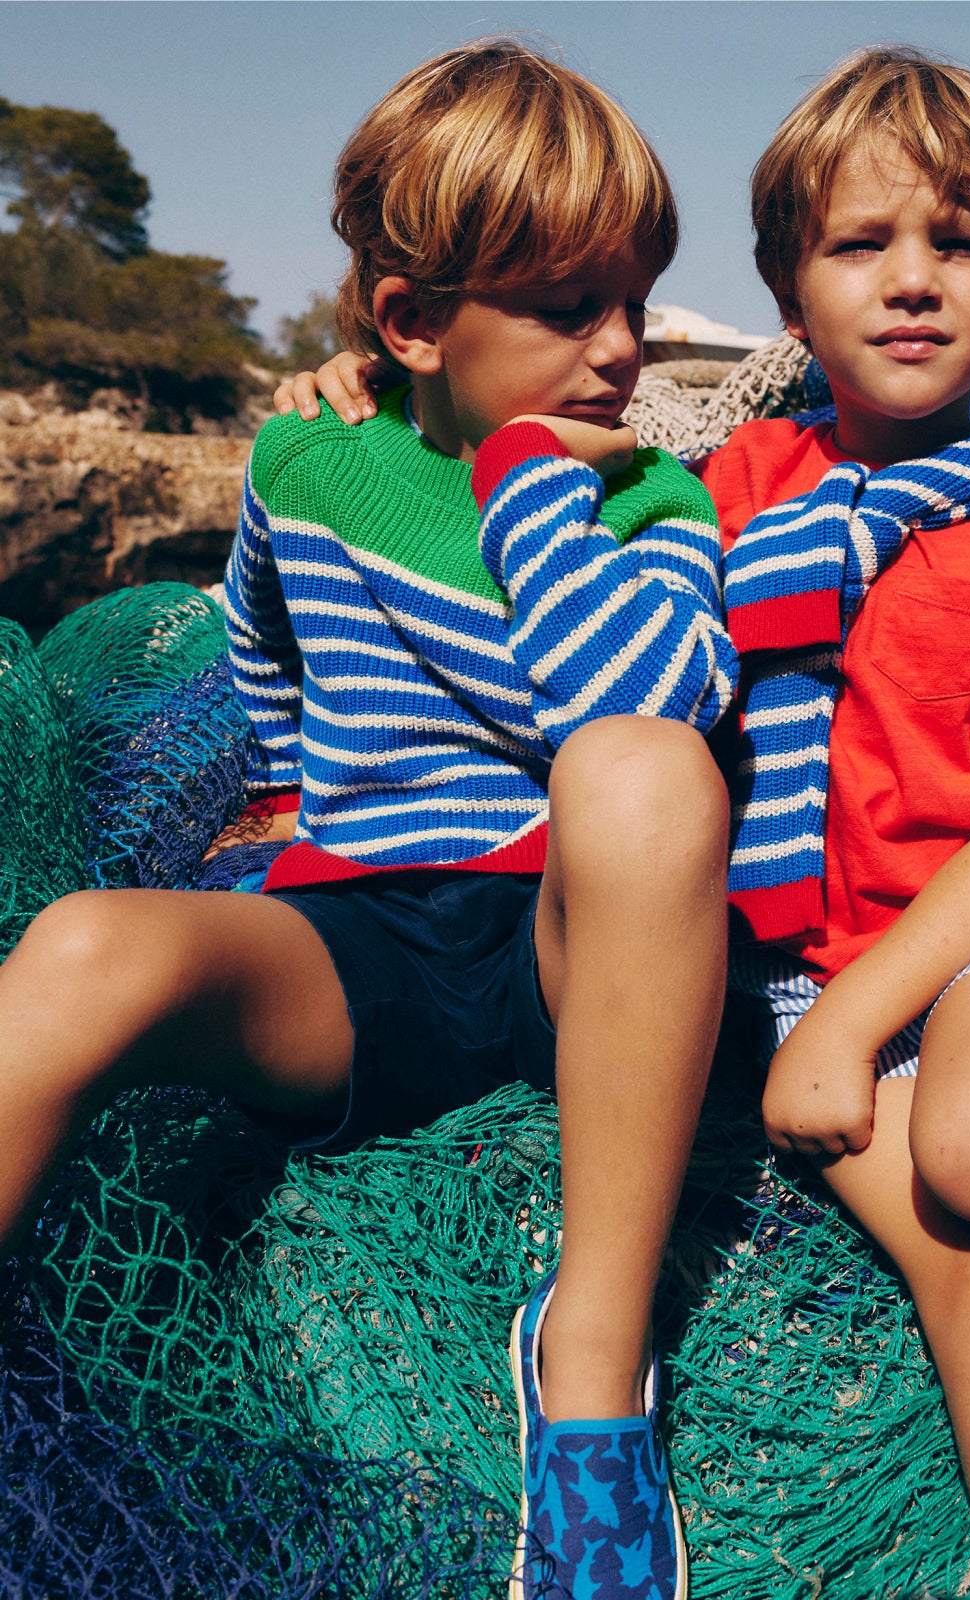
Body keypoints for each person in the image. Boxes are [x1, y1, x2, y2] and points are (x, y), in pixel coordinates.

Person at [278, 43, 970, 1600]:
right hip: (793, 970)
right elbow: (508, 493)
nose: (913, 282)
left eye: (960, 245)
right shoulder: (727, 484)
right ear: (783, 290)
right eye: (861, 246)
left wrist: (855, 1021)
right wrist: (363, 395)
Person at [0, 41, 739, 1600]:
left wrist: (531, 466)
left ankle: (592, 1368)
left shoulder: (659, 500)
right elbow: (261, 653)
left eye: (636, 302)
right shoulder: (305, 458)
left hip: (579, 945)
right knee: (76, 950)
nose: (622, 351)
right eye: (564, 310)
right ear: (411, 321)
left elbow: (639, 700)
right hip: (365, 943)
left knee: (644, 772)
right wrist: (296, 794)